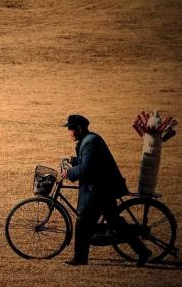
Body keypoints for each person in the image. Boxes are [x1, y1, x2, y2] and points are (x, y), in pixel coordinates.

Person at [61, 114, 152, 266]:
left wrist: (69, 172)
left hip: (99, 190)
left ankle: (80, 258)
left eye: (70, 129)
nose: (69, 132)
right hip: (104, 188)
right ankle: (143, 251)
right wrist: (73, 160)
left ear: (79, 128)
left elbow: (86, 168)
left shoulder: (90, 143)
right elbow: (89, 160)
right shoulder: (90, 139)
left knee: (83, 222)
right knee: (115, 222)